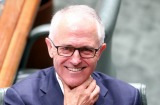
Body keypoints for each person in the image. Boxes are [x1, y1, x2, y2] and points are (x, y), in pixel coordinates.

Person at [4, 5, 141, 105]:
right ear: (50, 48)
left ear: (99, 52)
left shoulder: (128, 98)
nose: (76, 60)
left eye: (86, 50)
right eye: (66, 48)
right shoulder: (20, 98)